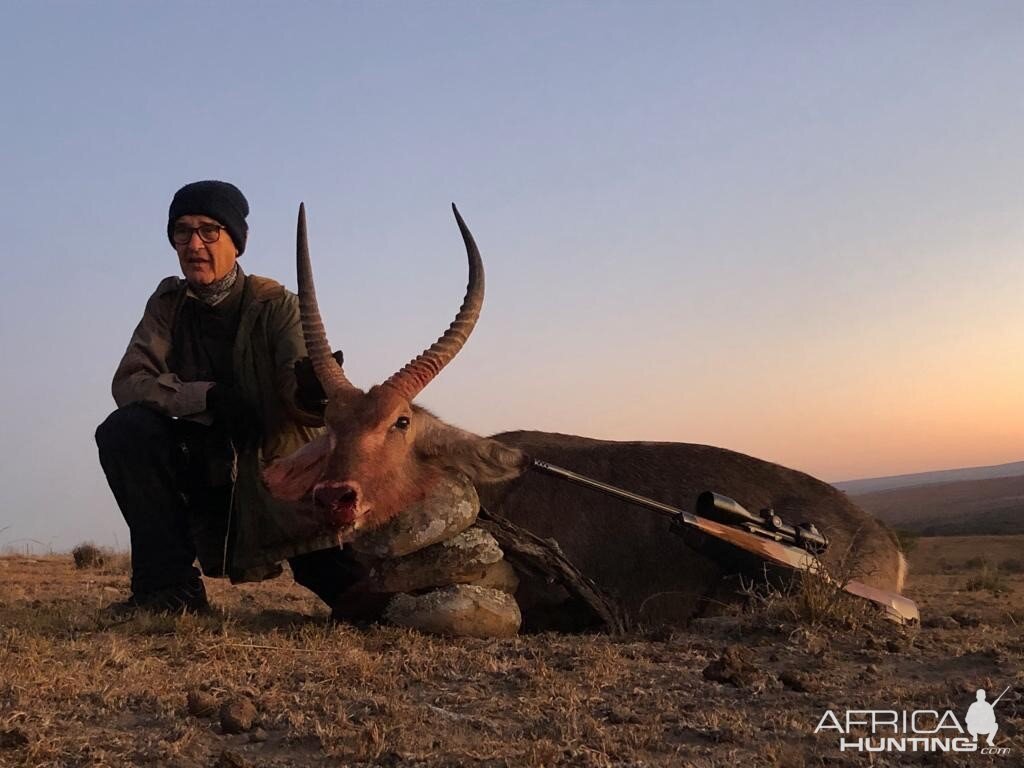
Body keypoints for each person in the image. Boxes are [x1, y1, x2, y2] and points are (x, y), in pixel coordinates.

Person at [95, 180, 366, 616]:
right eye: (181, 232)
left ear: (236, 243)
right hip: (206, 473)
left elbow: (301, 400)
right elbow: (129, 382)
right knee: (126, 431)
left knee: (361, 600)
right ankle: (168, 591)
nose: (193, 244)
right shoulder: (168, 304)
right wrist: (207, 397)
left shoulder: (278, 306)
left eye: (209, 230)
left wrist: (312, 393)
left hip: (277, 475)